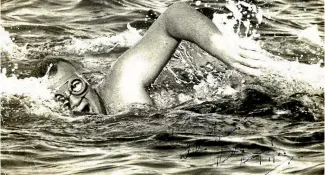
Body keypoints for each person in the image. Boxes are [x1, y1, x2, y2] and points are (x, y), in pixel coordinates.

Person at [43, 2, 266, 114]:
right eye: (61, 100)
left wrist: (222, 46)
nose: (75, 102)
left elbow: (173, 16)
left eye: (75, 86)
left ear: (87, 82)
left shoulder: (120, 86)